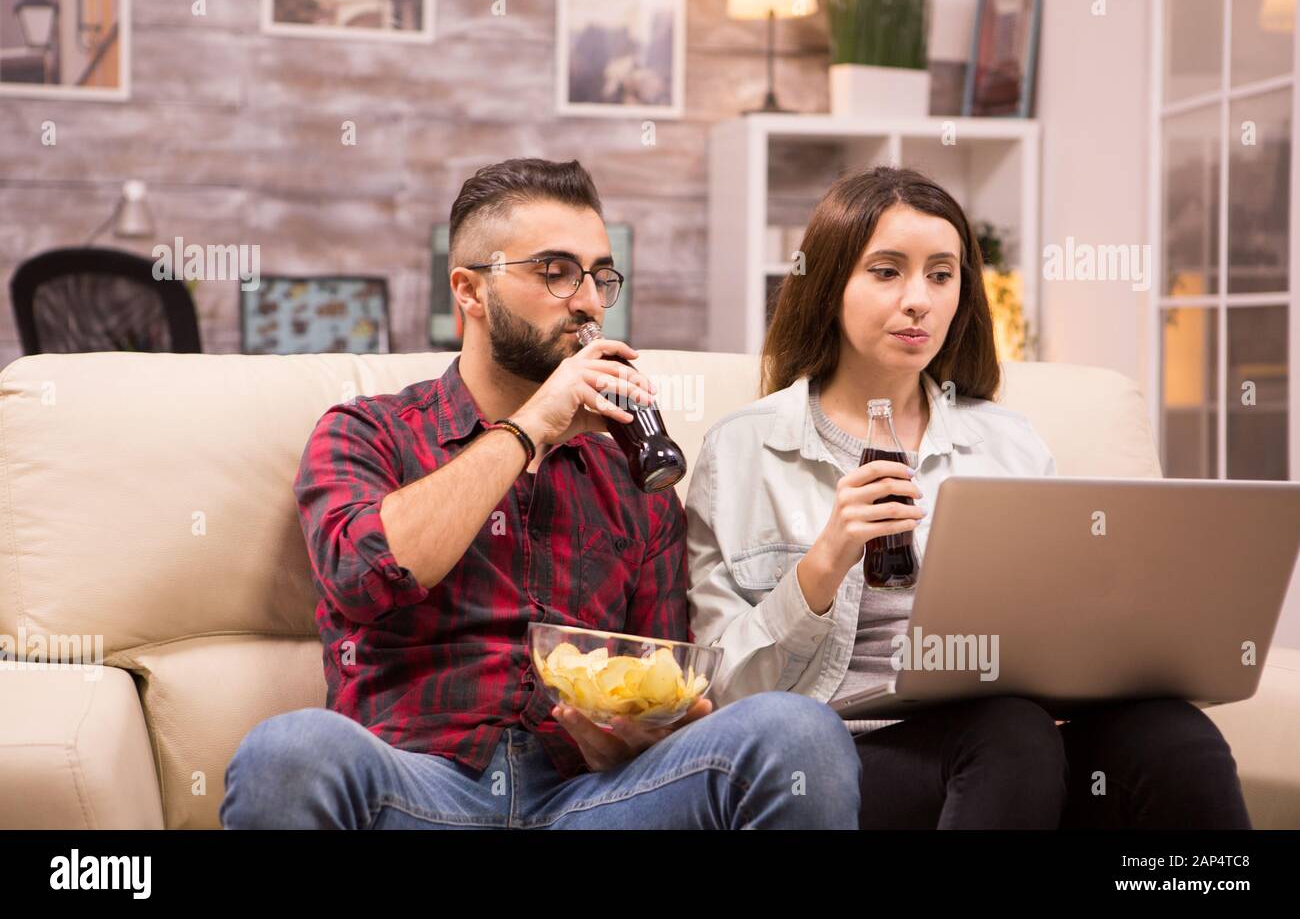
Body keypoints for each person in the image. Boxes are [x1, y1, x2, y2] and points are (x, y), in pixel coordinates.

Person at [219, 157, 860, 829]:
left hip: (591, 802)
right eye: (555, 272)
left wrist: (639, 733)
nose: (587, 302)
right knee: (288, 750)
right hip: (417, 790)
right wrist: (530, 428)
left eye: (599, 277)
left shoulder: (633, 481)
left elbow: (664, 675)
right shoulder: (368, 432)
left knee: (798, 731)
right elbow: (371, 573)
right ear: (468, 290)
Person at [685, 165, 1251, 829]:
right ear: (831, 282)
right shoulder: (744, 451)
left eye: (942, 274)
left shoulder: (1009, 444)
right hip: (849, 753)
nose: (919, 299)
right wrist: (825, 561)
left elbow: (1064, 631)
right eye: (887, 271)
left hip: (1019, 739)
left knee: (1172, 736)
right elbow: (723, 690)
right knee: (1009, 732)